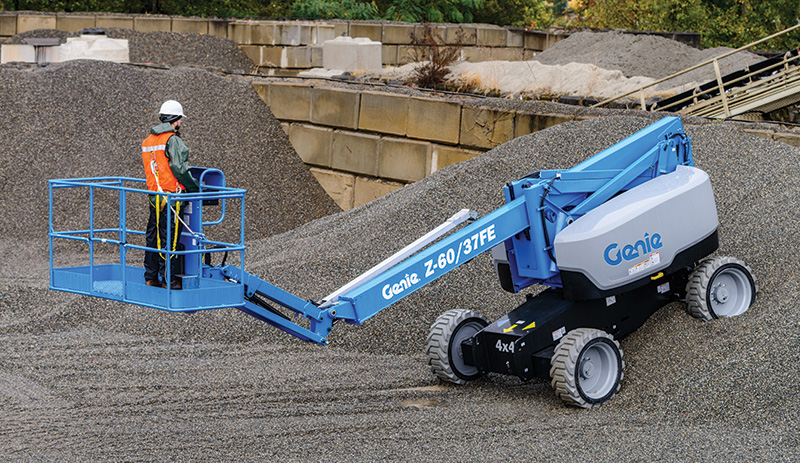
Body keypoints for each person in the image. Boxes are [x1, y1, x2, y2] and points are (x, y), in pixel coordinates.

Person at [141, 100, 200, 289]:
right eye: (180, 120)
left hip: (154, 196)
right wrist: (194, 188)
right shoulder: (172, 140)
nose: (180, 123)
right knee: (170, 238)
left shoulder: (149, 140)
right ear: (175, 120)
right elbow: (179, 168)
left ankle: (151, 277)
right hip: (171, 198)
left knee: (153, 236)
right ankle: (169, 279)